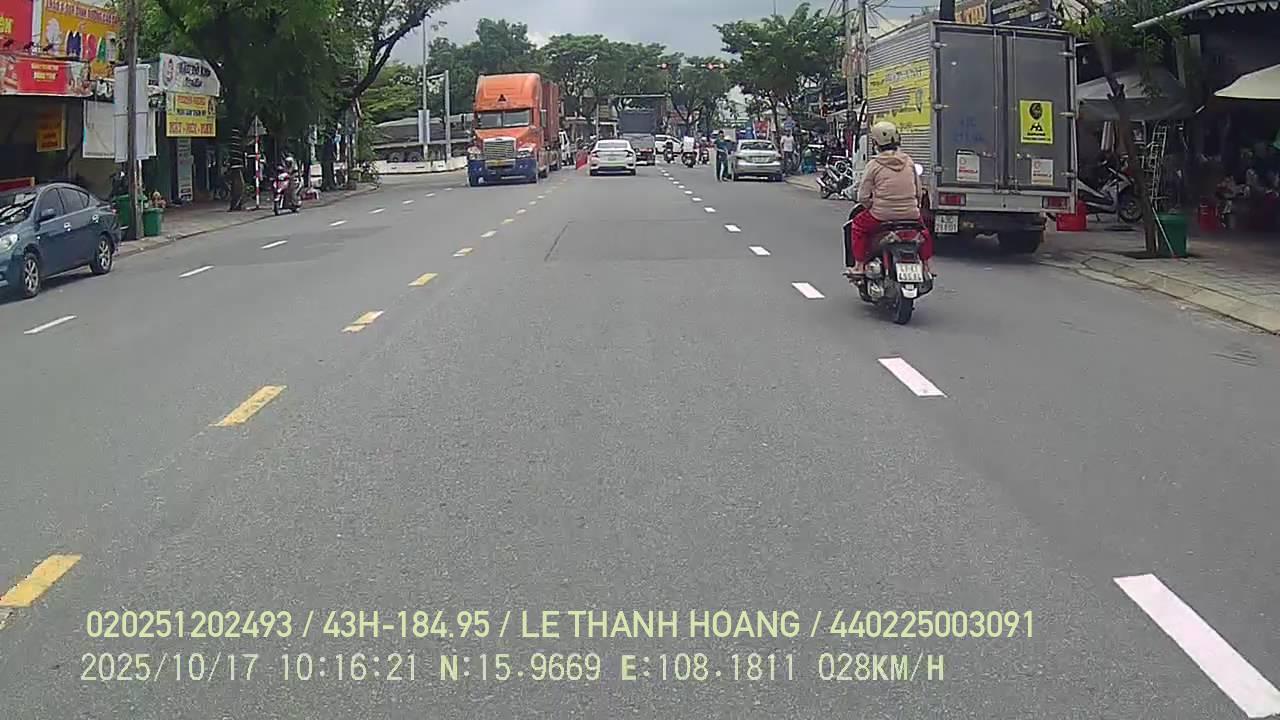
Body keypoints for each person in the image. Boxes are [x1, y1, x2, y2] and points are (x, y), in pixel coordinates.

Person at [847, 120, 934, 277]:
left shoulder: (874, 164)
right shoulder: (908, 161)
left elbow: (863, 196)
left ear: (875, 143)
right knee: (924, 232)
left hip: (881, 215)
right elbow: (918, 191)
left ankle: (859, 265)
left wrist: (871, 205)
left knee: (857, 226)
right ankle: (926, 266)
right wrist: (914, 206)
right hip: (911, 214)